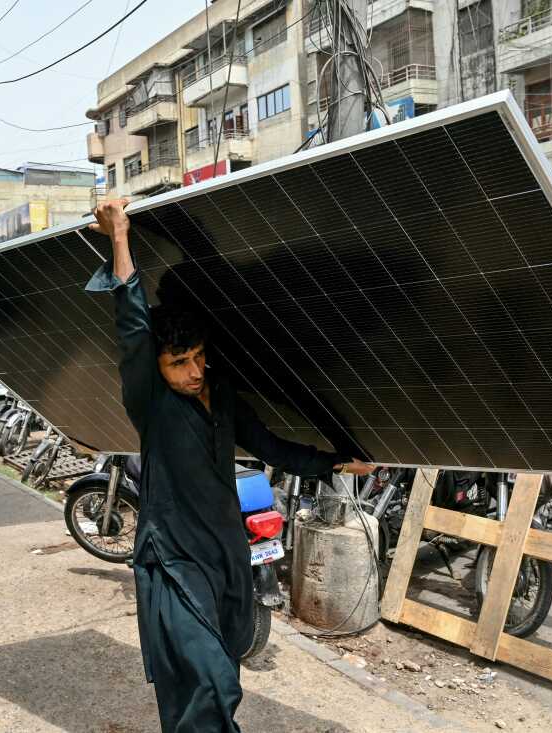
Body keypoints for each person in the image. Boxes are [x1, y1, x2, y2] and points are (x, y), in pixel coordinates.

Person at [86, 199, 373, 732]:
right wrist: (120, 238)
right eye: (179, 363)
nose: (194, 371)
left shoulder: (221, 395)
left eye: (198, 357)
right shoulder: (150, 400)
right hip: (173, 558)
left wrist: (335, 463)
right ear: (157, 366)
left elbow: (270, 446)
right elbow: (130, 328)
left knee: (211, 669)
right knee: (213, 676)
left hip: (224, 551)